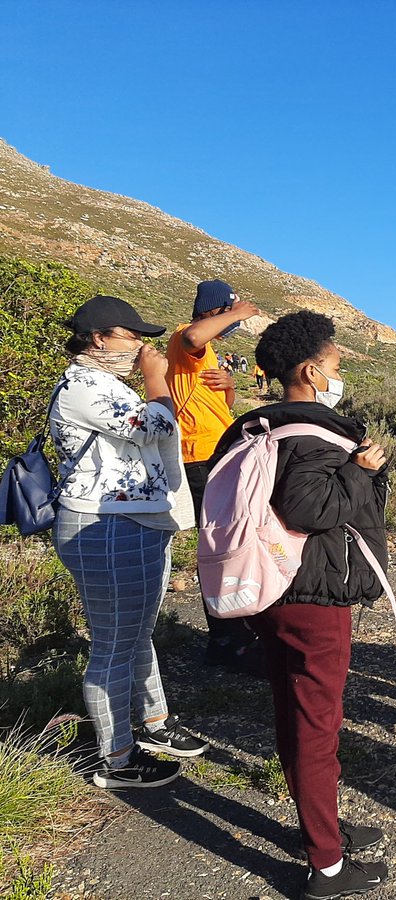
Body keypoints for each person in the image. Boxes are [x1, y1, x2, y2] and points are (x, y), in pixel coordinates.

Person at [209, 310, 389, 899]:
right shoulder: (314, 433)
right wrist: (360, 472)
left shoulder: (253, 427)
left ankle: (323, 828)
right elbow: (311, 510)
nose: (339, 372)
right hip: (310, 597)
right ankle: (326, 867)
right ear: (311, 370)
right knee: (318, 724)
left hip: (267, 589)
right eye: (335, 363)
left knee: (293, 710)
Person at [48, 294, 209, 789]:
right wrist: (156, 377)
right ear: (99, 338)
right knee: (115, 645)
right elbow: (157, 426)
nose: (141, 345)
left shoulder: (104, 385)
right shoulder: (83, 388)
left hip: (131, 522)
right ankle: (117, 759)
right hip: (106, 525)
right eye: (131, 335)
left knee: (135, 635)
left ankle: (155, 725)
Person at [167, 279, 263, 675]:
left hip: (215, 453)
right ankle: (227, 643)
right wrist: (238, 311)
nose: (232, 323)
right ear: (213, 310)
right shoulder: (184, 338)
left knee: (235, 541)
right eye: (225, 314)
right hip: (199, 459)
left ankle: (238, 633)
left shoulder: (206, 352)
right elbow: (192, 333)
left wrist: (227, 389)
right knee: (224, 547)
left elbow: (213, 404)